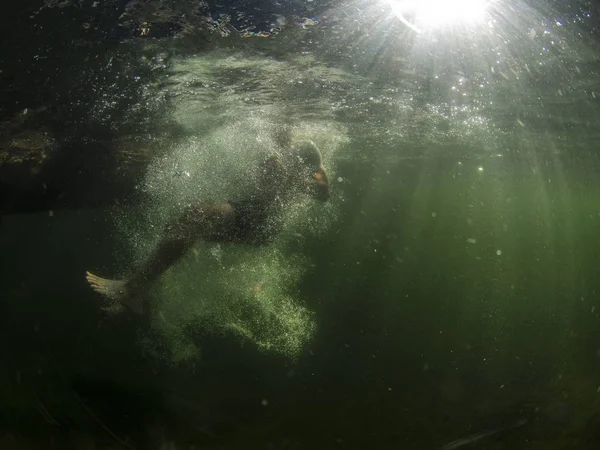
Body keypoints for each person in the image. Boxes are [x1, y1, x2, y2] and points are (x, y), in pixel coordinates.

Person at [85, 140, 330, 314]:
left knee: (199, 215)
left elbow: (323, 191)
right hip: (250, 212)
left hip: (262, 223)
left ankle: (134, 287)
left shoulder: (307, 158)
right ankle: (144, 292)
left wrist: (299, 180)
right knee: (182, 220)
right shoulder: (281, 141)